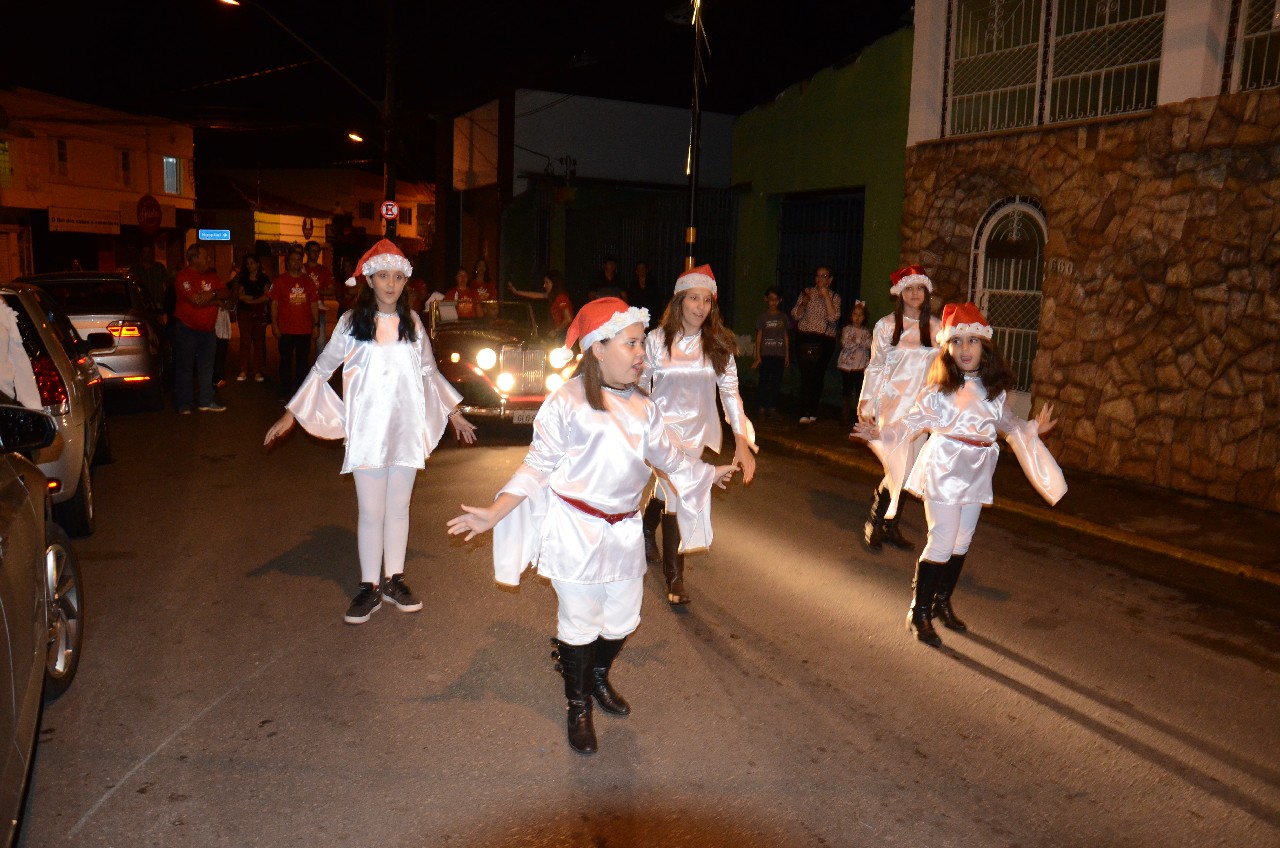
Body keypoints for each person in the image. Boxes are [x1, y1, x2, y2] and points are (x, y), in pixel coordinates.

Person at [446, 298, 737, 754]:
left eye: (642, 343)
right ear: (598, 349)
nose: (642, 353)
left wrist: (706, 473)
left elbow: (669, 458)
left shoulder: (644, 405)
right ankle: (577, 705)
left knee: (622, 620)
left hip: (622, 531)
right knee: (580, 622)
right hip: (573, 530)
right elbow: (537, 465)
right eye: (632, 343)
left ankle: (596, 672)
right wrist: (496, 510)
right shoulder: (568, 400)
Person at [265, 240, 477, 624]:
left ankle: (394, 580)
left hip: (406, 429)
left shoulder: (412, 323)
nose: (391, 284)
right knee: (370, 511)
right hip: (366, 431)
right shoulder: (351, 322)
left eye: (397, 276)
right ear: (370, 280)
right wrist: (291, 415)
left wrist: (456, 413)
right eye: (383, 276)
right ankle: (369, 587)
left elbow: (429, 373)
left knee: (399, 509)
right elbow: (321, 369)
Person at [852, 303, 1065, 647]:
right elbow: (911, 424)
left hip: (978, 470)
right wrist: (881, 434)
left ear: (985, 347)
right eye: (957, 342)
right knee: (942, 539)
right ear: (947, 348)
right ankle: (918, 612)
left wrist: (1032, 429)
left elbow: (1007, 426)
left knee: (962, 541)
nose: (965, 349)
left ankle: (941, 603)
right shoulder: (939, 390)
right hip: (945, 468)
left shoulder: (994, 391)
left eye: (973, 341)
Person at [640, 265, 757, 604]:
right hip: (661, 433)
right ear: (680, 301)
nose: (700, 306)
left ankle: (648, 524)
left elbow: (730, 393)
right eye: (694, 298)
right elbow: (639, 386)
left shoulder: (718, 344)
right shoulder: (656, 340)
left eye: (707, 300)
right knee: (678, 493)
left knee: (671, 491)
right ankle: (675, 580)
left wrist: (742, 442)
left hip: (697, 435)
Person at [856, 265, 941, 552]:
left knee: (909, 470)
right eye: (909, 288)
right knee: (897, 470)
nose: (915, 294)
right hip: (892, 409)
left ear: (926, 292)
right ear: (900, 293)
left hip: (920, 413)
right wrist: (866, 404)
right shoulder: (886, 326)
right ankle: (874, 521)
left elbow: (944, 371)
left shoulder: (937, 328)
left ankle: (890, 525)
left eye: (920, 288)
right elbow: (876, 366)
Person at [172, 244, 229, 414]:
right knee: (185, 367)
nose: (209, 260)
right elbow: (196, 300)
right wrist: (216, 299)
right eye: (206, 256)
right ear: (194, 258)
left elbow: (226, 292)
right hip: (187, 329)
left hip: (208, 331)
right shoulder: (184, 276)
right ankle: (184, 403)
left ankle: (205, 400)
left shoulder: (212, 275)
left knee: (207, 367)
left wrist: (212, 295)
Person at [790, 265, 841, 424]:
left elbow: (833, 318)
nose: (820, 280)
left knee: (817, 375)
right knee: (806, 374)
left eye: (824, 276)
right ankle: (804, 410)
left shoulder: (834, 297)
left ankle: (813, 410)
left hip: (824, 340)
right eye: (818, 276)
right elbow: (795, 315)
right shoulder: (807, 292)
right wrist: (804, 303)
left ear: (830, 280)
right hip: (805, 338)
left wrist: (825, 297)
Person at [270, 245, 320, 398]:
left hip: (304, 330)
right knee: (285, 361)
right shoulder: (280, 281)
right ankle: (285, 391)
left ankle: (300, 393)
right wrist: (274, 325)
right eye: (293, 260)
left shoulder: (308, 282)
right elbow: (274, 305)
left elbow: (313, 305)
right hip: (285, 330)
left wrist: (316, 325)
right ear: (287, 262)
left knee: (302, 363)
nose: (296, 262)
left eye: (299, 260)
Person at [751, 286, 789, 420]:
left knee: (776, 382)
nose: (773, 302)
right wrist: (758, 355)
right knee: (764, 381)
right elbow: (759, 336)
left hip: (779, 355)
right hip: (766, 355)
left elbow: (785, 336)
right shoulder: (762, 317)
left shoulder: (783, 317)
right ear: (766, 300)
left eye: (776, 299)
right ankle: (761, 408)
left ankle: (772, 408)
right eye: (771, 299)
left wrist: (787, 355)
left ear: (780, 300)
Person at [233, 253, 271, 382]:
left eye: (252, 263)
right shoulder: (243, 278)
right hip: (244, 313)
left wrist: (251, 300)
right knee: (245, 341)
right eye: (248, 263)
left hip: (259, 313)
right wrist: (256, 298)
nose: (250, 266)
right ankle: (243, 370)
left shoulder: (264, 279)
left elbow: (266, 296)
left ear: (258, 264)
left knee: (259, 342)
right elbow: (241, 296)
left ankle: (257, 371)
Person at [507, 270, 573, 338]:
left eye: (547, 283)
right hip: (561, 332)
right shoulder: (552, 296)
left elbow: (568, 318)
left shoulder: (561, 297)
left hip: (565, 333)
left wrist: (556, 331)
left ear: (554, 284)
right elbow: (534, 295)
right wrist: (517, 292)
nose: (544, 285)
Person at [837, 299, 872, 424]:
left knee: (860, 390)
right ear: (851, 316)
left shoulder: (866, 331)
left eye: (860, 315)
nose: (857, 317)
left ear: (864, 317)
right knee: (847, 389)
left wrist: (856, 341)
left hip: (861, 366)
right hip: (847, 366)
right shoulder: (847, 329)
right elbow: (846, 344)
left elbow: (869, 344)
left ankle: (860, 415)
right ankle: (845, 413)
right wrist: (859, 342)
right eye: (855, 314)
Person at [304, 241, 336, 345]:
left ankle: (319, 362)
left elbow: (332, 290)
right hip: (303, 311)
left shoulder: (324, 270)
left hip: (319, 312)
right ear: (307, 252)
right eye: (313, 251)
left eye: (318, 251)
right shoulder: (301, 269)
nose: (316, 254)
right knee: (304, 344)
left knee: (320, 342)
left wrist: (318, 291)